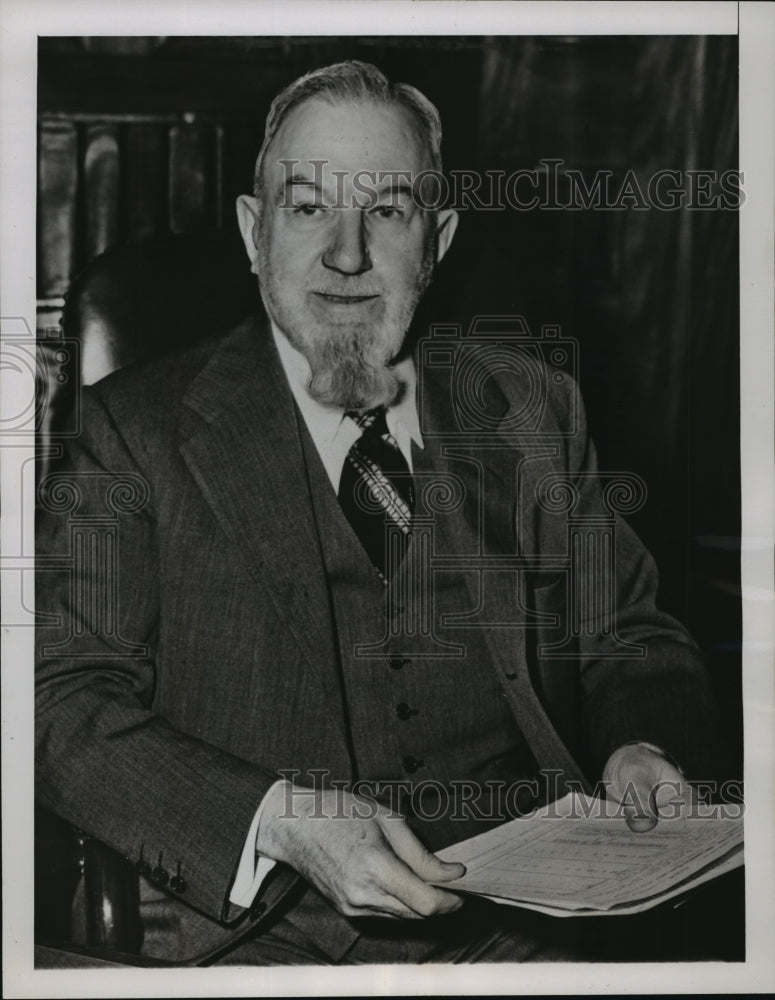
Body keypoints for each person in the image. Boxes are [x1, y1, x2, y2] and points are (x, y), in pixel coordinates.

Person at [36, 60, 718, 965]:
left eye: (387, 211)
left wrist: (640, 746)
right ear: (253, 230)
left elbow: (628, 633)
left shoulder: (527, 407)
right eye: (309, 205)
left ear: (434, 241)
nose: (347, 254)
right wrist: (278, 820)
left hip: (530, 921)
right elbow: (56, 698)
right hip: (253, 937)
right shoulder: (135, 431)